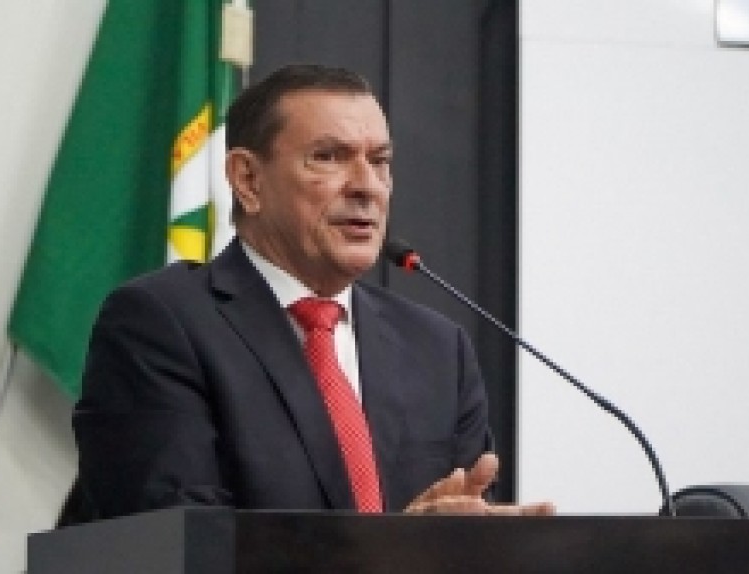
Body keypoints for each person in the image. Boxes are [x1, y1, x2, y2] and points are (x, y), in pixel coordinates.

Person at [72, 64, 553, 519]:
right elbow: (182, 537)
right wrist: (389, 553)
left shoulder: (438, 349)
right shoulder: (161, 324)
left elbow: (466, 532)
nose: (367, 187)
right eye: (328, 157)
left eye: (380, 161)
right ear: (247, 179)